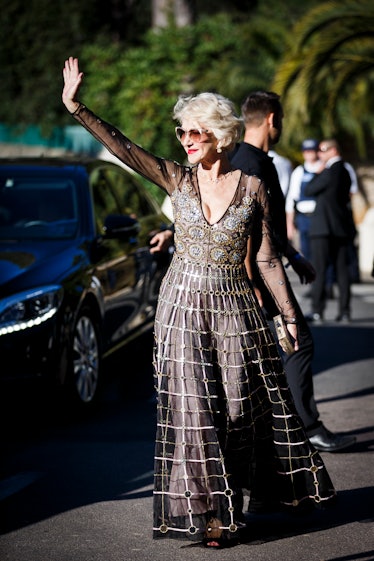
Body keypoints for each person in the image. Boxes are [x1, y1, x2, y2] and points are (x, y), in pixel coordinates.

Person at [62, 58, 336, 548]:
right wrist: (77, 106)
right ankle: (213, 514)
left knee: (236, 410)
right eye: (182, 133)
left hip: (235, 307)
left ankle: (243, 494)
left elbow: (268, 260)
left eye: (196, 133)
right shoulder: (176, 178)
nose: (186, 141)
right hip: (181, 307)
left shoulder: (251, 186)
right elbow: (124, 149)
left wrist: (290, 316)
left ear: (220, 136)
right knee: (195, 413)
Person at [228, 91, 356, 453]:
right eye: (280, 119)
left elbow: (268, 225)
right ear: (271, 119)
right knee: (298, 343)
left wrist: (294, 255)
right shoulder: (250, 164)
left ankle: (284, 429)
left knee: (277, 351)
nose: (281, 125)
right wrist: (254, 283)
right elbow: (245, 231)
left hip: (266, 270)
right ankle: (306, 427)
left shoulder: (254, 160)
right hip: (256, 276)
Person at [304, 139, 356, 323]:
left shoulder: (329, 171)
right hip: (341, 227)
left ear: (333, 150)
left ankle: (317, 310)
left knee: (319, 269)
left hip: (323, 227)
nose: (319, 154)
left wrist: (318, 172)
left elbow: (309, 189)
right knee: (343, 271)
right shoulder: (347, 171)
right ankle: (345, 310)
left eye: (323, 150)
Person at [286, 138, 321, 262]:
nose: (309, 154)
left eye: (312, 151)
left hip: (320, 216)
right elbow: (291, 199)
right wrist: (289, 223)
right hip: (303, 218)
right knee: (306, 251)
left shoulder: (324, 168)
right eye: (306, 151)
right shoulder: (299, 171)